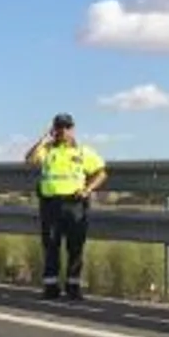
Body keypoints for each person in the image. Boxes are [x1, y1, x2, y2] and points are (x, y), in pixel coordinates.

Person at [26, 113, 108, 300]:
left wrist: (88, 190)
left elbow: (101, 173)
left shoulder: (82, 151)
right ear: (53, 129)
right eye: (59, 127)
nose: (63, 131)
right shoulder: (46, 150)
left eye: (67, 127)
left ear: (72, 129)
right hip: (51, 204)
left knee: (75, 246)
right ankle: (51, 287)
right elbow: (29, 159)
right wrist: (43, 138)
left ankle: (73, 286)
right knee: (51, 245)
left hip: (75, 203)